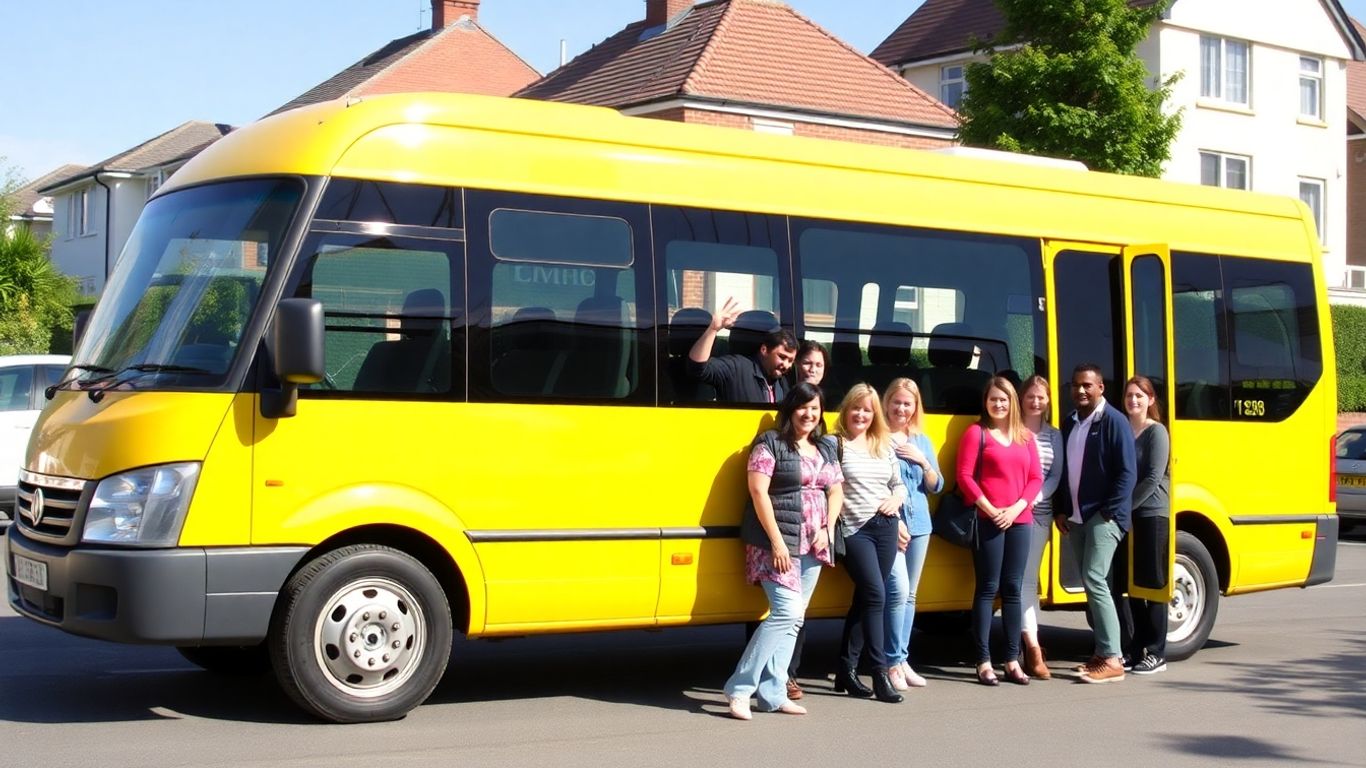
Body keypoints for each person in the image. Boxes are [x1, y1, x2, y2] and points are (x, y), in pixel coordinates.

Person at [724, 382, 844, 720]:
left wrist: (827, 529)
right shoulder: (770, 443)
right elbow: (758, 492)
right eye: (803, 406)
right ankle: (739, 688)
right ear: (791, 408)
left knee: (795, 618)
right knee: (786, 613)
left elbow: (835, 491)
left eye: (815, 408)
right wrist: (777, 541)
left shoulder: (824, 447)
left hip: (814, 541)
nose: (809, 414)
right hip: (774, 542)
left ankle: (774, 693)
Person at [957, 376, 1043, 686]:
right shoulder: (976, 433)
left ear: (1012, 402)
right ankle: (982, 660)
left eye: (1004, 399)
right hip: (988, 519)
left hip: (1020, 521)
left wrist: (1017, 508)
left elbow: (1035, 478)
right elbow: (964, 476)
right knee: (986, 588)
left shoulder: (1025, 436)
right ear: (986, 402)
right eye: (993, 399)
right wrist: (991, 509)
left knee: (1013, 589)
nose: (998, 404)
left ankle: (1011, 659)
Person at [1054, 364, 1137, 684]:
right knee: (1093, 582)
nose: (1081, 391)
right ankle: (1103, 653)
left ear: (1101, 387)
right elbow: (1066, 471)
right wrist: (1063, 510)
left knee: (1094, 577)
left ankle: (1113, 658)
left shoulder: (1114, 421)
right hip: (1076, 517)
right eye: (1076, 385)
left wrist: (1109, 512)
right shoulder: (1071, 422)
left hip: (1104, 517)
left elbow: (1127, 472)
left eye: (1088, 385)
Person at [831, 383, 906, 703]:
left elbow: (899, 484)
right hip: (854, 529)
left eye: (867, 409)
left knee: (866, 599)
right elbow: (829, 488)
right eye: (856, 408)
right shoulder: (834, 444)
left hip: (886, 527)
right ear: (846, 410)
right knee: (876, 593)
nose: (861, 414)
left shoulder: (882, 443)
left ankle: (845, 671)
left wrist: (896, 499)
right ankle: (879, 673)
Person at [882, 377, 942, 690]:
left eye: (908, 404)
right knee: (897, 593)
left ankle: (902, 659)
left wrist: (922, 461)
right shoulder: (877, 437)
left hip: (920, 524)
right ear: (887, 403)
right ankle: (891, 661)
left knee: (910, 594)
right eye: (897, 402)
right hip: (890, 525)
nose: (901, 409)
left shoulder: (921, 441)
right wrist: (894, 522)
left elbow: (936, 485)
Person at [782, 338, 830, 700]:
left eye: (818, 364)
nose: (811, 368)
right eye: (806, 362)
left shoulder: (825, 437)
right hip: (786, 532)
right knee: (784, 609)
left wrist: (827, 527)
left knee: (799, 610)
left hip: (816, 534)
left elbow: (836, 484)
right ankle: (770, 676)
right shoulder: (776, 437)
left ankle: (788, 674)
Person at [1119, 375, 1171, 675]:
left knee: (1153, 585)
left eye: (1139, 395)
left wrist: (1125, 507)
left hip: (1152, 514)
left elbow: (1152, 478)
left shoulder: (1156, 432)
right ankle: (1136, 649)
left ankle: (1156, 652)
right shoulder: (1126, 431)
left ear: (1150, 400)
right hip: (1130, 515)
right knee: (1133, 586)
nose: (1134, 400)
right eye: (1129, 396)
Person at [1019, 375, 1064, 679]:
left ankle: (1031, 646)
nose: (1036, 402)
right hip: (1014, 512)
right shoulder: (1014, 431)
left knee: (1027, 581)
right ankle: (1030, 647)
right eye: (1031, 396)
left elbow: (1056, 475)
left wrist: (1035, 497)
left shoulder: (1054, 435)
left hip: (1039, 513)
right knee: (1023, 582)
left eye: (1042, 397)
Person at [688, 296, 797, 403]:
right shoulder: (736, 367)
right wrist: (713, 329)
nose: (786, 365)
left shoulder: (781, 382)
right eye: (782, 357)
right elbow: (698, 369)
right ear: (764, 350)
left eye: (791, 361)